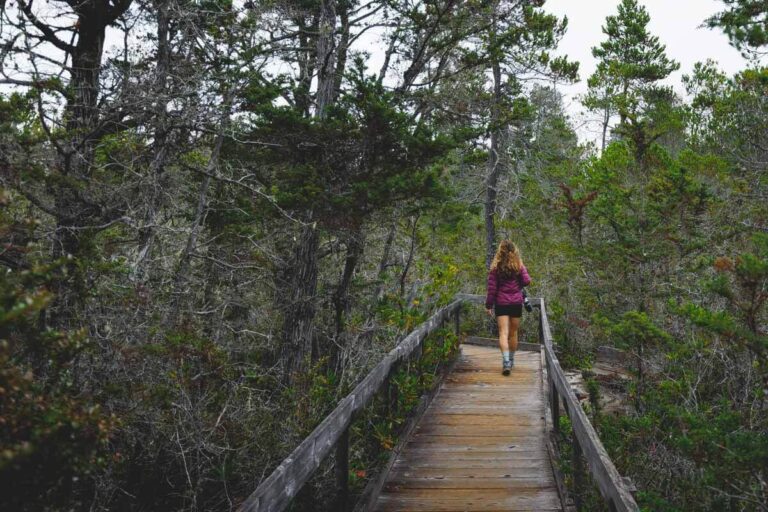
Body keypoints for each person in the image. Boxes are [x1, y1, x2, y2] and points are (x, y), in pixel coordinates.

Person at [485, 240, 531, 375]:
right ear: (514, 250)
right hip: (516, 302)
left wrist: (488, 305)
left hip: (502, 303)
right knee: (513, 333)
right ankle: (511, 360)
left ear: (500, 251)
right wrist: (519, 280)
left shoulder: (496, 267)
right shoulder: (518, 265)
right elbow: (527, 281)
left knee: (503, 334)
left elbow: (492, 289)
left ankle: (505, 363)